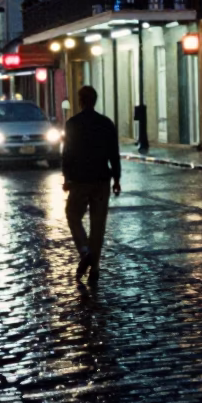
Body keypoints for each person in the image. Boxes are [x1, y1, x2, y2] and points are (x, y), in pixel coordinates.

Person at [62, 85, 121, 283]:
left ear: (80, 101)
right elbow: (114, 153)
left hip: (79, 180)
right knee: (98, 225)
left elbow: (67, 153)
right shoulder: (106, 123)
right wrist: (117, 179)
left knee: (73, 215)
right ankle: (94, 268)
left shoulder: (72, 124)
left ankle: (84, 250)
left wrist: (67, 177)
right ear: (95, 100)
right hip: (101, 180)